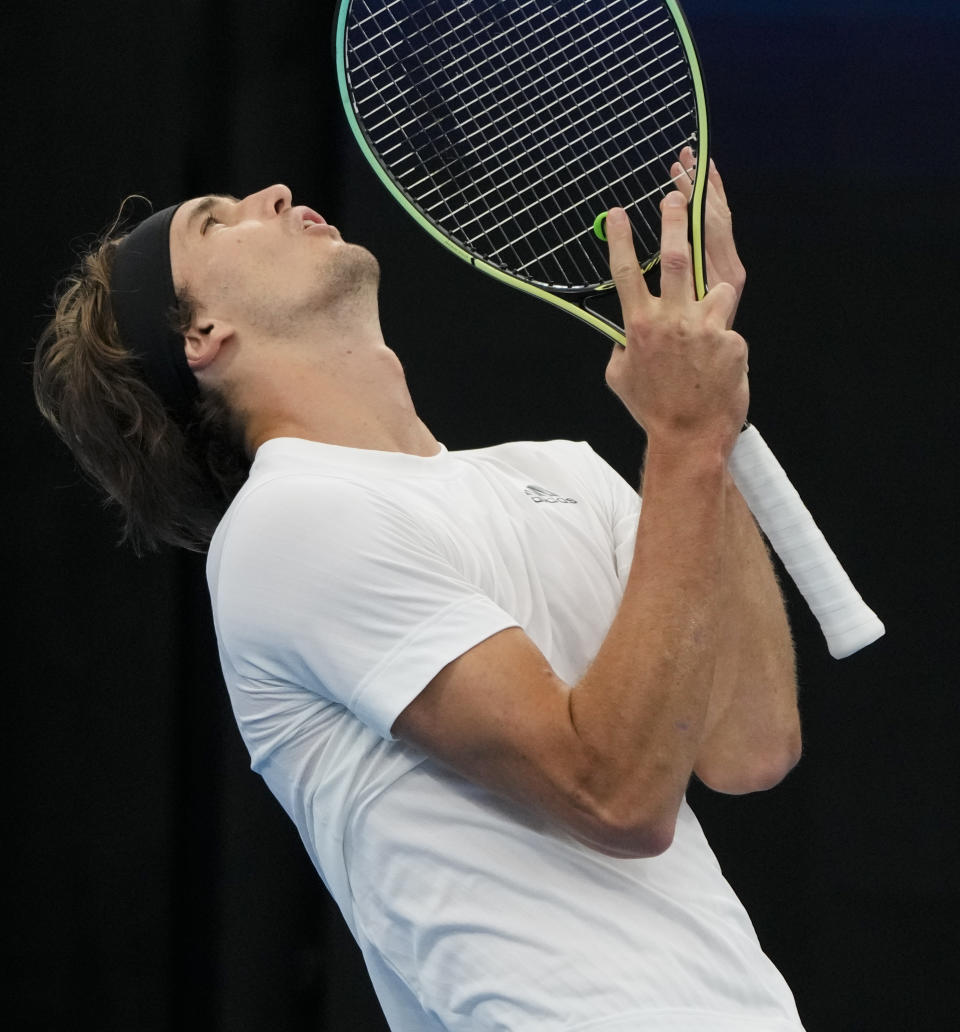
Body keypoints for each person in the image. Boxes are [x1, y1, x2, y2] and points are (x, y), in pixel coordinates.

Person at [34, 148, 805, 1031]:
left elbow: (750, 745)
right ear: (200, 335)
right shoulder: (286, 526)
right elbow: (614, 794)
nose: (276, 192)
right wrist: (684, 436)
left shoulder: (559, 473)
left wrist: (708, 427)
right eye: (218, 220)